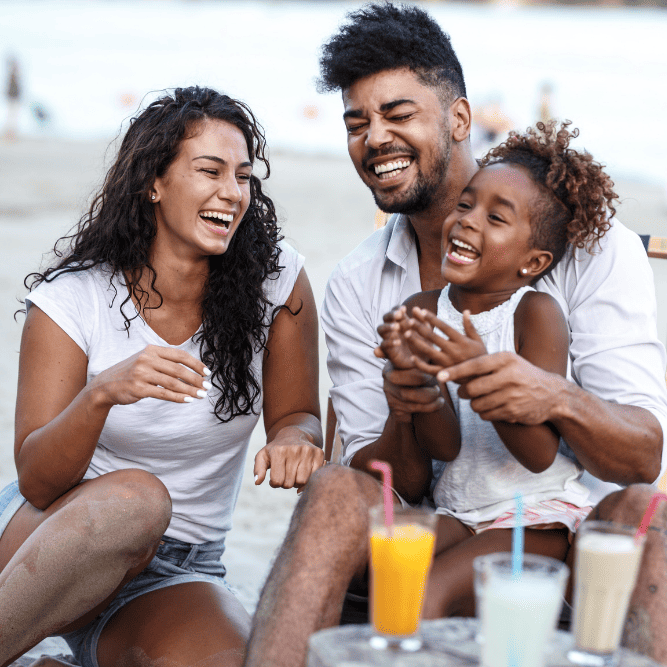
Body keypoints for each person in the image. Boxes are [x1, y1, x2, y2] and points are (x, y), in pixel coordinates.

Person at [243, 4, 667, 667]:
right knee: (331, 491)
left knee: (650, 513)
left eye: (398, 114)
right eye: (357, 124)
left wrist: (545, 394)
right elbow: (389, 482)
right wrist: (410, 399)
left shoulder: (589, 250)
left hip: (563, 526)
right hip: (448, 519)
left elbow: (640, 454)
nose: (374, 138)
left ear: (460, 119)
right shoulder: (362, 283)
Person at [0, 86, 323, 667]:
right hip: (53, 537)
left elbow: (298, 414)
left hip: (176, 568)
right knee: (138, 499)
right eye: (210, 170)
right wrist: (101, 394)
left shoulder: (277, 285)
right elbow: (39, 482)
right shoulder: (74, 300)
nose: (232, 192)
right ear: (154, 182)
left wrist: (295, 441)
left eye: (244, 176)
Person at [375, 121, 615, 613]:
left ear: (532, 262)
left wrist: (476, 370)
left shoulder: (535, 315)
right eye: (466, 204)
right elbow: (444, 444)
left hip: (534, 515)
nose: (467, 220)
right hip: (459, 508)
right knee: (385, 575)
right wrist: (415, 383)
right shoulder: (424, 308)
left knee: (423, 598)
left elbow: (538, 453)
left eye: (496, 218)